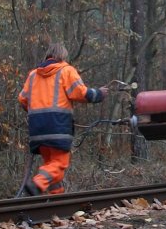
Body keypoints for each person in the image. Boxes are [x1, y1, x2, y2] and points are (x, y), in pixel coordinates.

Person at [18, 42, 107, 195]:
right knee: (59, 163)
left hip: (37, 129)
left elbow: (22, 99)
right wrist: (99, 94)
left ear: (48, 55)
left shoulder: (33, 75)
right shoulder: (66, 71)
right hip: (57, 126)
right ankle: (36, 183)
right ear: (63, 56)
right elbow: (81, 93)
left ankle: (57, 199)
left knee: (52, 167)